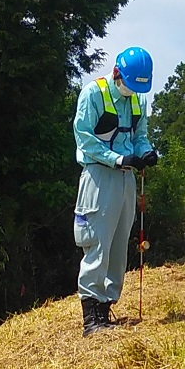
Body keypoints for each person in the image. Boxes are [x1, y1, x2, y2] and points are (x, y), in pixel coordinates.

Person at [73, 46, 158, 337]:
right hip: (99, 176)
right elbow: (84, 140)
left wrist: (146, 153)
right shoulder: (93, 94)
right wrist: (117, 159)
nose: (131, 91)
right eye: (129, 85)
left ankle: (107, 305)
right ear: (117, 72)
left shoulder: (138, 99)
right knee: (97, 242)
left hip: (126, 180)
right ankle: (91, 316)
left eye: (137, 88)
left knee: (120, 244)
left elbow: (141, 136)